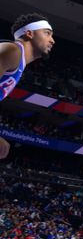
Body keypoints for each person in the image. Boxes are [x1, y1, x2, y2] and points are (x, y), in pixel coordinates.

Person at [0, 13, 55, 159]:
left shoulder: (18, 59)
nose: (52, 40)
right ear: (29, 33)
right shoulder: (12, 51)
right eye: (47, 33)